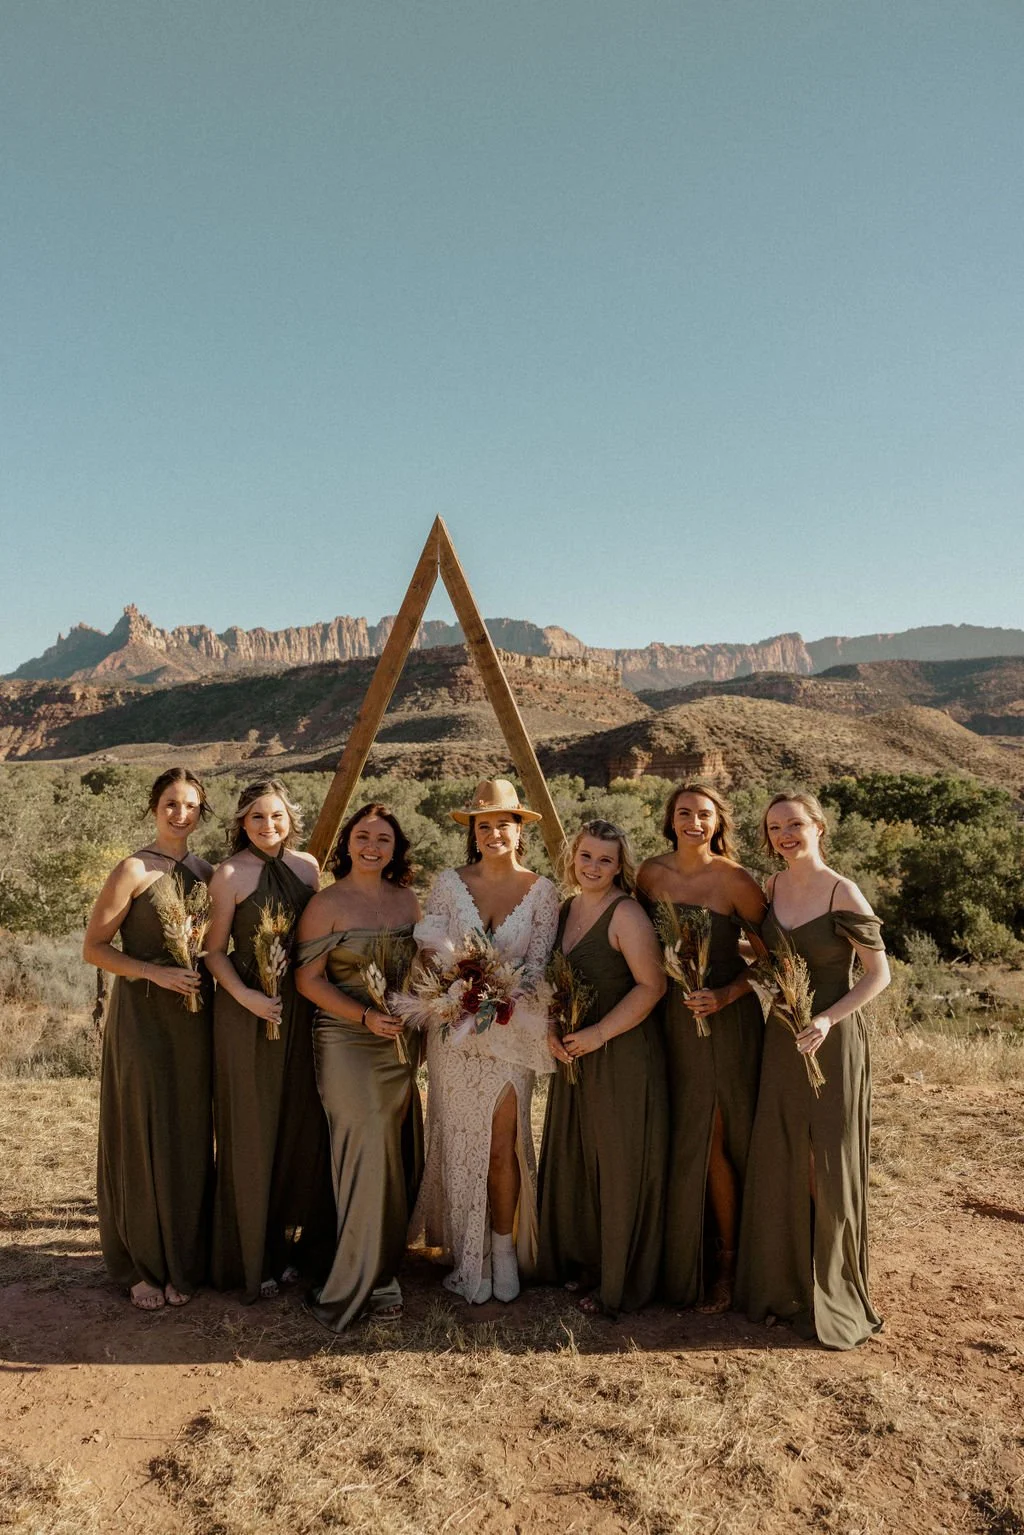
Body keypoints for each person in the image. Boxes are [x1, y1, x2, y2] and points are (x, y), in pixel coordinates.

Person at [735, 792, 891, 1350]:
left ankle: (833, 1288)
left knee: (827, 1157)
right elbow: (765, 956)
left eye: (795, 824)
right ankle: (786, 1285)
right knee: (780, 1152)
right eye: (775, 827)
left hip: (831, 1037)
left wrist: (826, 1018)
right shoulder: (772, 889)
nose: (784, 835)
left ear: (818, 827)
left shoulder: (841, 890)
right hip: (781, 1034)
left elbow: (879, 976)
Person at [409, 779, 559, 1305]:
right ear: (473, 831)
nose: (494, 832)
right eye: (484, 824)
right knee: (459, 1142)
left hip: (510, 1038)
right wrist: (453, 990)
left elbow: (539, 971)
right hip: (453, 1035)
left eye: (504, 824)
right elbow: (429, 952)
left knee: (502, 1147)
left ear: (521, 831)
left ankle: (501, 1253)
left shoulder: (542, 891)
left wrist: (499, 991)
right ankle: (465, 1256)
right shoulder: (449, 884)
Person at [83, 767, 214, 1311]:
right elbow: (95, 948)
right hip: (141, 1016)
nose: (180, 813)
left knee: (187, 1132)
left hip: (195, 1020)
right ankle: (140, 1263)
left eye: (190, 805)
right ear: (153, 806)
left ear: (202, 813)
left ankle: (182, 1257)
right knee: (142, 1129)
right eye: (170, 803)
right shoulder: (132, 869)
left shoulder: (209, 871)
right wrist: (152, 973)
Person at [637, 784, 766, 1312]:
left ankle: (728, 1265)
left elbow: (771, 957)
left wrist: (727, 993)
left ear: (718, 823)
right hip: (664, 1018)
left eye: (704, 815)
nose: (694, 822)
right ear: (670, 820)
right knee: (673, 1134)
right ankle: (673, 1257)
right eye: (684, 813)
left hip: (722, 1023)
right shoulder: (649, 874)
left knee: (713, 1138)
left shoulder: (736, 880)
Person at [295, 803, 423, 1329]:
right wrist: (365, 1016)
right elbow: (308, 981)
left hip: (399, 1044)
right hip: (347, 1040)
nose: (373, 846)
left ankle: (383, 1272)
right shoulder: (326, 903)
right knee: (364, 1155)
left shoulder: (408, 900)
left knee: (390, 1156)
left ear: (396, 849)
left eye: (384, 839)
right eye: (364, 836)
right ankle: (355, 1284)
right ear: (347, 842)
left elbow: (423, 967)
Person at [206, 779, 331, 1302]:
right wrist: (247, 998)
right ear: (242, 821)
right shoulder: (229, 873)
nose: (268, 826)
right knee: (252, 1131)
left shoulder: (308, 867)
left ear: (290, 818)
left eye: (276, 816)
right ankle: (247, 1259)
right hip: (247, 1012)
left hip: (301, 1011)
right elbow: (213, 952)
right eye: (257, 817)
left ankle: (287, 1250)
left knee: (298, 1128)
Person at [537, 820, 668, 1315]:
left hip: (620, 1052)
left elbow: (651, 987)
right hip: (574, 1050)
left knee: (617, 1161)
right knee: (580, 1156)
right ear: (573, 856)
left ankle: (621, 1279)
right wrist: (552, 1029)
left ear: (620, 866)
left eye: (605, 860)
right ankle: (585, 1262)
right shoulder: (567, 909)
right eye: (586, 856)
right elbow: (556, 981)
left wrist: (597, 1035)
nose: (593, 867)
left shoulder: (626, 914)